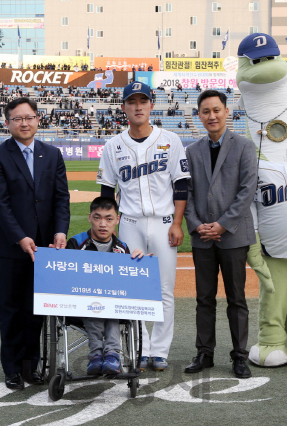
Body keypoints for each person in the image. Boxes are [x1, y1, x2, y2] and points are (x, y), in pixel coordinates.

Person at [97, 82, 190, 372]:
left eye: (143, 101)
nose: (138, 106)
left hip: (164, 224)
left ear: (151, 105)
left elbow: (182, 184)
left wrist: (177, 223)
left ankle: (160, 351)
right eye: (132, 101)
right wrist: (108, 227)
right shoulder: (113, 146)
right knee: (133, 290)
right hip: (130, 224)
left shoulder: (171, 140)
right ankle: (141, 347)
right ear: (123, 107)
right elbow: (105, 191)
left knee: (164, 290)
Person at [0, 97, 70, 390]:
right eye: (17, 118)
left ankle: (30, 367)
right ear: (7, 123)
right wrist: (20, 237)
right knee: (10, 309)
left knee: (36, 311)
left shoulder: (52, 154)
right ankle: (11, 368)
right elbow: (0, 203)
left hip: (45, 248)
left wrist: (60, 231)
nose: (24, 123)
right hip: (11, 247)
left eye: (29, 117)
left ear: (37, 119)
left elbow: (61, 198)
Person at [183, 90, 257, 379]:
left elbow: (246, 191)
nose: (211, 116)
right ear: (199, 115)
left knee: (236, 298)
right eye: (205, 111)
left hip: (233, 235)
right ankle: (205, 352)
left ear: (227, 112)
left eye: (216, 110)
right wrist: (196, 223)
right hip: (202, 236)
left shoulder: (244, 147)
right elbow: (185, 193)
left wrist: (223, 224)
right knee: (204, 297)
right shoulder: (191, 150)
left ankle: (239, 355)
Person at [66, 197, 146, 375]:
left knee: (111, 304)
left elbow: (128, 283)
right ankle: (101, 354)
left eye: (109, 219)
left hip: (112, 304)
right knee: (96, 303)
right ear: (89, 218)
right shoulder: (75, 244)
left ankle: (110, 354)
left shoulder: (122, 248)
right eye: (97, 218)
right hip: (81, 303)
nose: (103, 224)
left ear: (117, 220)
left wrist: (140, 263)